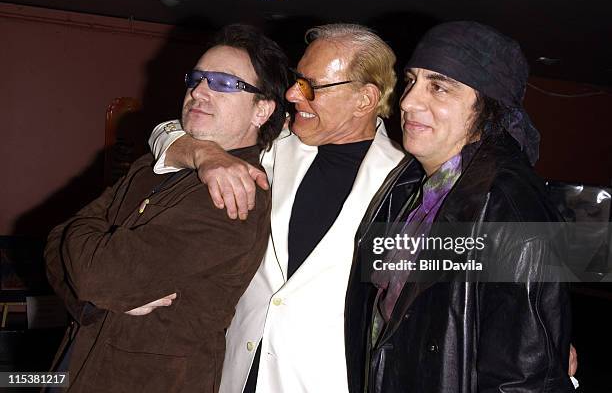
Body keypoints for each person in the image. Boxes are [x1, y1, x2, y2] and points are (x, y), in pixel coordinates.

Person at [148, 23, 406, 392]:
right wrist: (204, 154)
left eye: (310, 87)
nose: (291, 94)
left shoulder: (409, 180)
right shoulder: (272, 145)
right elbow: (166, 131)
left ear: (364, 99)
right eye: (296, 80)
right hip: (234, 372)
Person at [43, 24, 289, 393]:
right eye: (198, 78)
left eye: (224, 83)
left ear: (262, 110)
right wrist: (89, 302)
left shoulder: (236, 195)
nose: (199, 91)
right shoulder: (165, 161)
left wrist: (82, 242)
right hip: (78, 365)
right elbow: (54, 244)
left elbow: (96, 272)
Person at [346, 21, 576, 392]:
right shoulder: (411, 185)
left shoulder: (509, 205)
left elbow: (523, 380)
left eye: (438, 87)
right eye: (411, 81)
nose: (407, 101)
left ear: (488, 107)